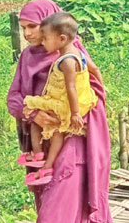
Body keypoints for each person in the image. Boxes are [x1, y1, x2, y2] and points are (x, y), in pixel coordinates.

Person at [6, 0, 119, 223]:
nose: (29, 34)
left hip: (72, 145)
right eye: (23, 28)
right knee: (59, 210)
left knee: (52, 220)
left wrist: (70, 114)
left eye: (33, 27)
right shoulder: (27, 58)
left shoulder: (71, 53)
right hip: (40, 146)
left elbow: (95, 92)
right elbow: (14, 97)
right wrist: (32, 114)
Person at [21, 12, 100, 186]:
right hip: (80, 101)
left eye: (46, 38)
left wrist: (75, 113)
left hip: (66, 104)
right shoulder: (79, 52)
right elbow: (95, 69)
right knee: (57, 132)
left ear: (62, 39)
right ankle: (48, 165)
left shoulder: (66, 61)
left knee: (35, 119)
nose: (43, 42)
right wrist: (100, 91)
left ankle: (38, 154)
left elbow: (70, 87)